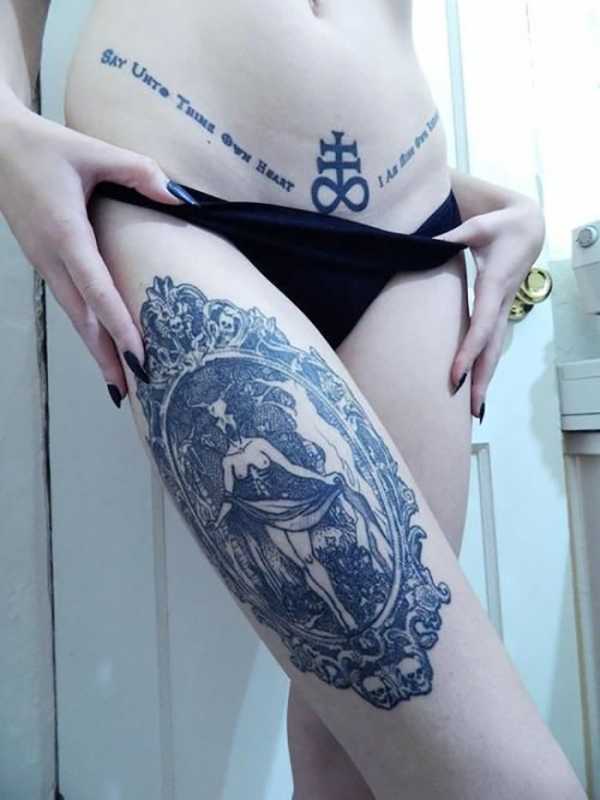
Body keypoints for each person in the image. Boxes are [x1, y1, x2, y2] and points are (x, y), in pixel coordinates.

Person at [0, 1, 587, 798]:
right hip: (183, 202)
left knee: (349, 733)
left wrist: (490, 197)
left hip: (413, 239)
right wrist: (6, 131)